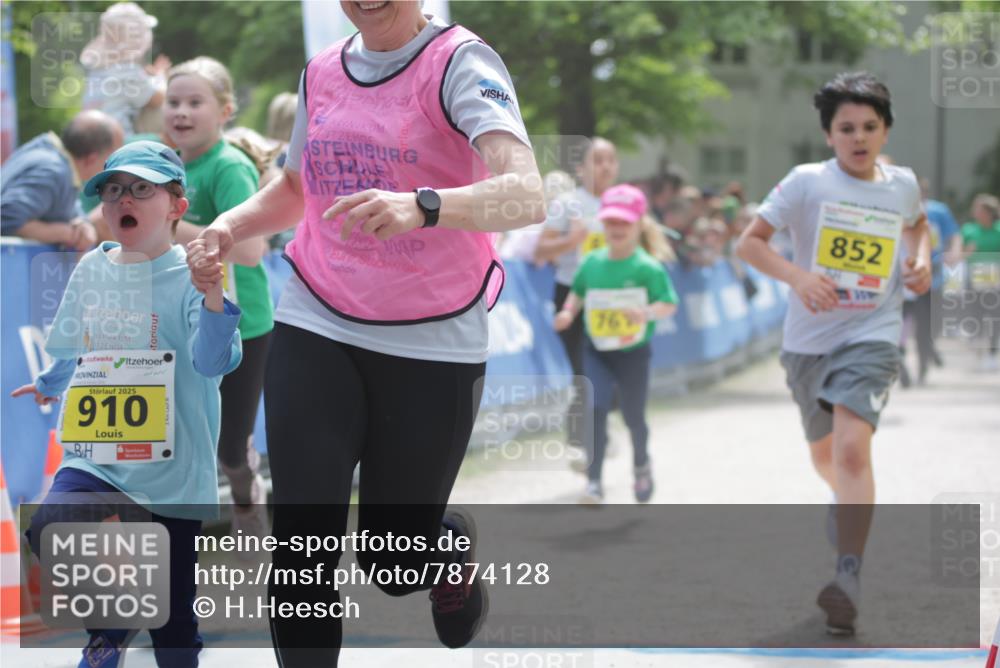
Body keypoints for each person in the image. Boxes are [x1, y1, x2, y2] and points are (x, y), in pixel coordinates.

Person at [185, 2, 543, 665]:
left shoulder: (459, 62)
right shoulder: (321, 71)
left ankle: (440, 549)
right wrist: (229, 225)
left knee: (393, 559)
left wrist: (425, 204)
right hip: (317, 314)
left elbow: (525, 194)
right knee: (302, 539)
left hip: (429, 335)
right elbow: (296, 187)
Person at [12, 140, 242, 668]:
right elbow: (70, 339)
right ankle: (109, 631)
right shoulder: (92, 267)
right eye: (113, 191)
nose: (123, 201)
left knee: (175, 627)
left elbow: (213, 362)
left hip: (173, 468)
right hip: (98, 457)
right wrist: (51, 381)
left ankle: (121, 629)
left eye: (141, 189)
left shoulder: (195, 272)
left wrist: (211, 296)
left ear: (177, 207)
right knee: (52, 526)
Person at [737, 72, 931, 636]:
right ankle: (845, 503)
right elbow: (748, 243)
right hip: (808, 342)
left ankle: (848, 576)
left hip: (873, 331)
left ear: (886, 130)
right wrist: (798, 277)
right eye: (846, 128)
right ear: (829, 135)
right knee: (828, 460)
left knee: (851, 451)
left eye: (870, 126)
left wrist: (918, 261)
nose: (859, 137)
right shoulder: (804, 183)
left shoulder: (901, 186)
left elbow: (918, 229)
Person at [164, 56, 273, 541]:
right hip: (182, 321)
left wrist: (164, 221)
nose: (181, 112)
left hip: (241, 325)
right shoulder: (165, 165)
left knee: (229, 449)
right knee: (181, 436)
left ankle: (248, 499)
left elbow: (250, 250)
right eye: (173, 102)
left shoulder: (228, 165)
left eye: (194, 102)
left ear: (225, 110)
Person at [553, 184, 678, 504]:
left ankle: (641, 465)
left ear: (639, 224)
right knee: (595, 406)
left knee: (634, 416)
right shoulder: (592, 262)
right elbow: (578, 291)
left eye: (624, 222)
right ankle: (593, 483)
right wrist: (568, 312)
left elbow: (669, 303)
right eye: (610, 222)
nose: (616, 229)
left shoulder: (647, 267)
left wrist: (646, 312)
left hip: (633, 353)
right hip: (597, 349)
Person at [534, 137, 620, 460]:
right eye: (597, 160)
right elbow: (541, 251)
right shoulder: (568, 203)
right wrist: (574, 240)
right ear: (581, 167)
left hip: (615, 300)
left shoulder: (623, 203)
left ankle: (597, 433)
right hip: (573, 294)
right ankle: (582, 443)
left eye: (611, 159)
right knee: (585, 371)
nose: (606, 166)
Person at [1, 110, 123, 248]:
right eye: (111, 161)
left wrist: (82, 223)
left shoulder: (48, 154)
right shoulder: (53, 172)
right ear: (91, 160)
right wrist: (65, 233)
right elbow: (5, 218)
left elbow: (68, 209)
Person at [80, 2, 170, 136]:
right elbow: (157, 99)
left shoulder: (99, 67)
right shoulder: (128, 71)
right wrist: (161, 76)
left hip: (90, 136)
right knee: (160, 142)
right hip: (115, 142)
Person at [961, 193, 1000, 371]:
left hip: (995, 280)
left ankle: (992, 353)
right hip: (974, 279)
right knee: (975, 314)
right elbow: (959, 253)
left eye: (980, 210)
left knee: (993, 317)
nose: (976, 213)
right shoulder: (969, 230)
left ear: (990, 213)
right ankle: (976, 348)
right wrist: (967, 252)